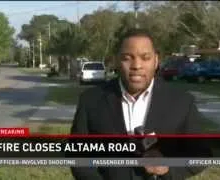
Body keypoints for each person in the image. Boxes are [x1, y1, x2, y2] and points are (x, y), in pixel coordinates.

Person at [71, 28, 210, 180]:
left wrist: (168, 169)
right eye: (127, 58)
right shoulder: (91, 101)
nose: (137, 65)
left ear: (156, 61)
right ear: (117, 60)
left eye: (145, 58)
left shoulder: (182, 102)